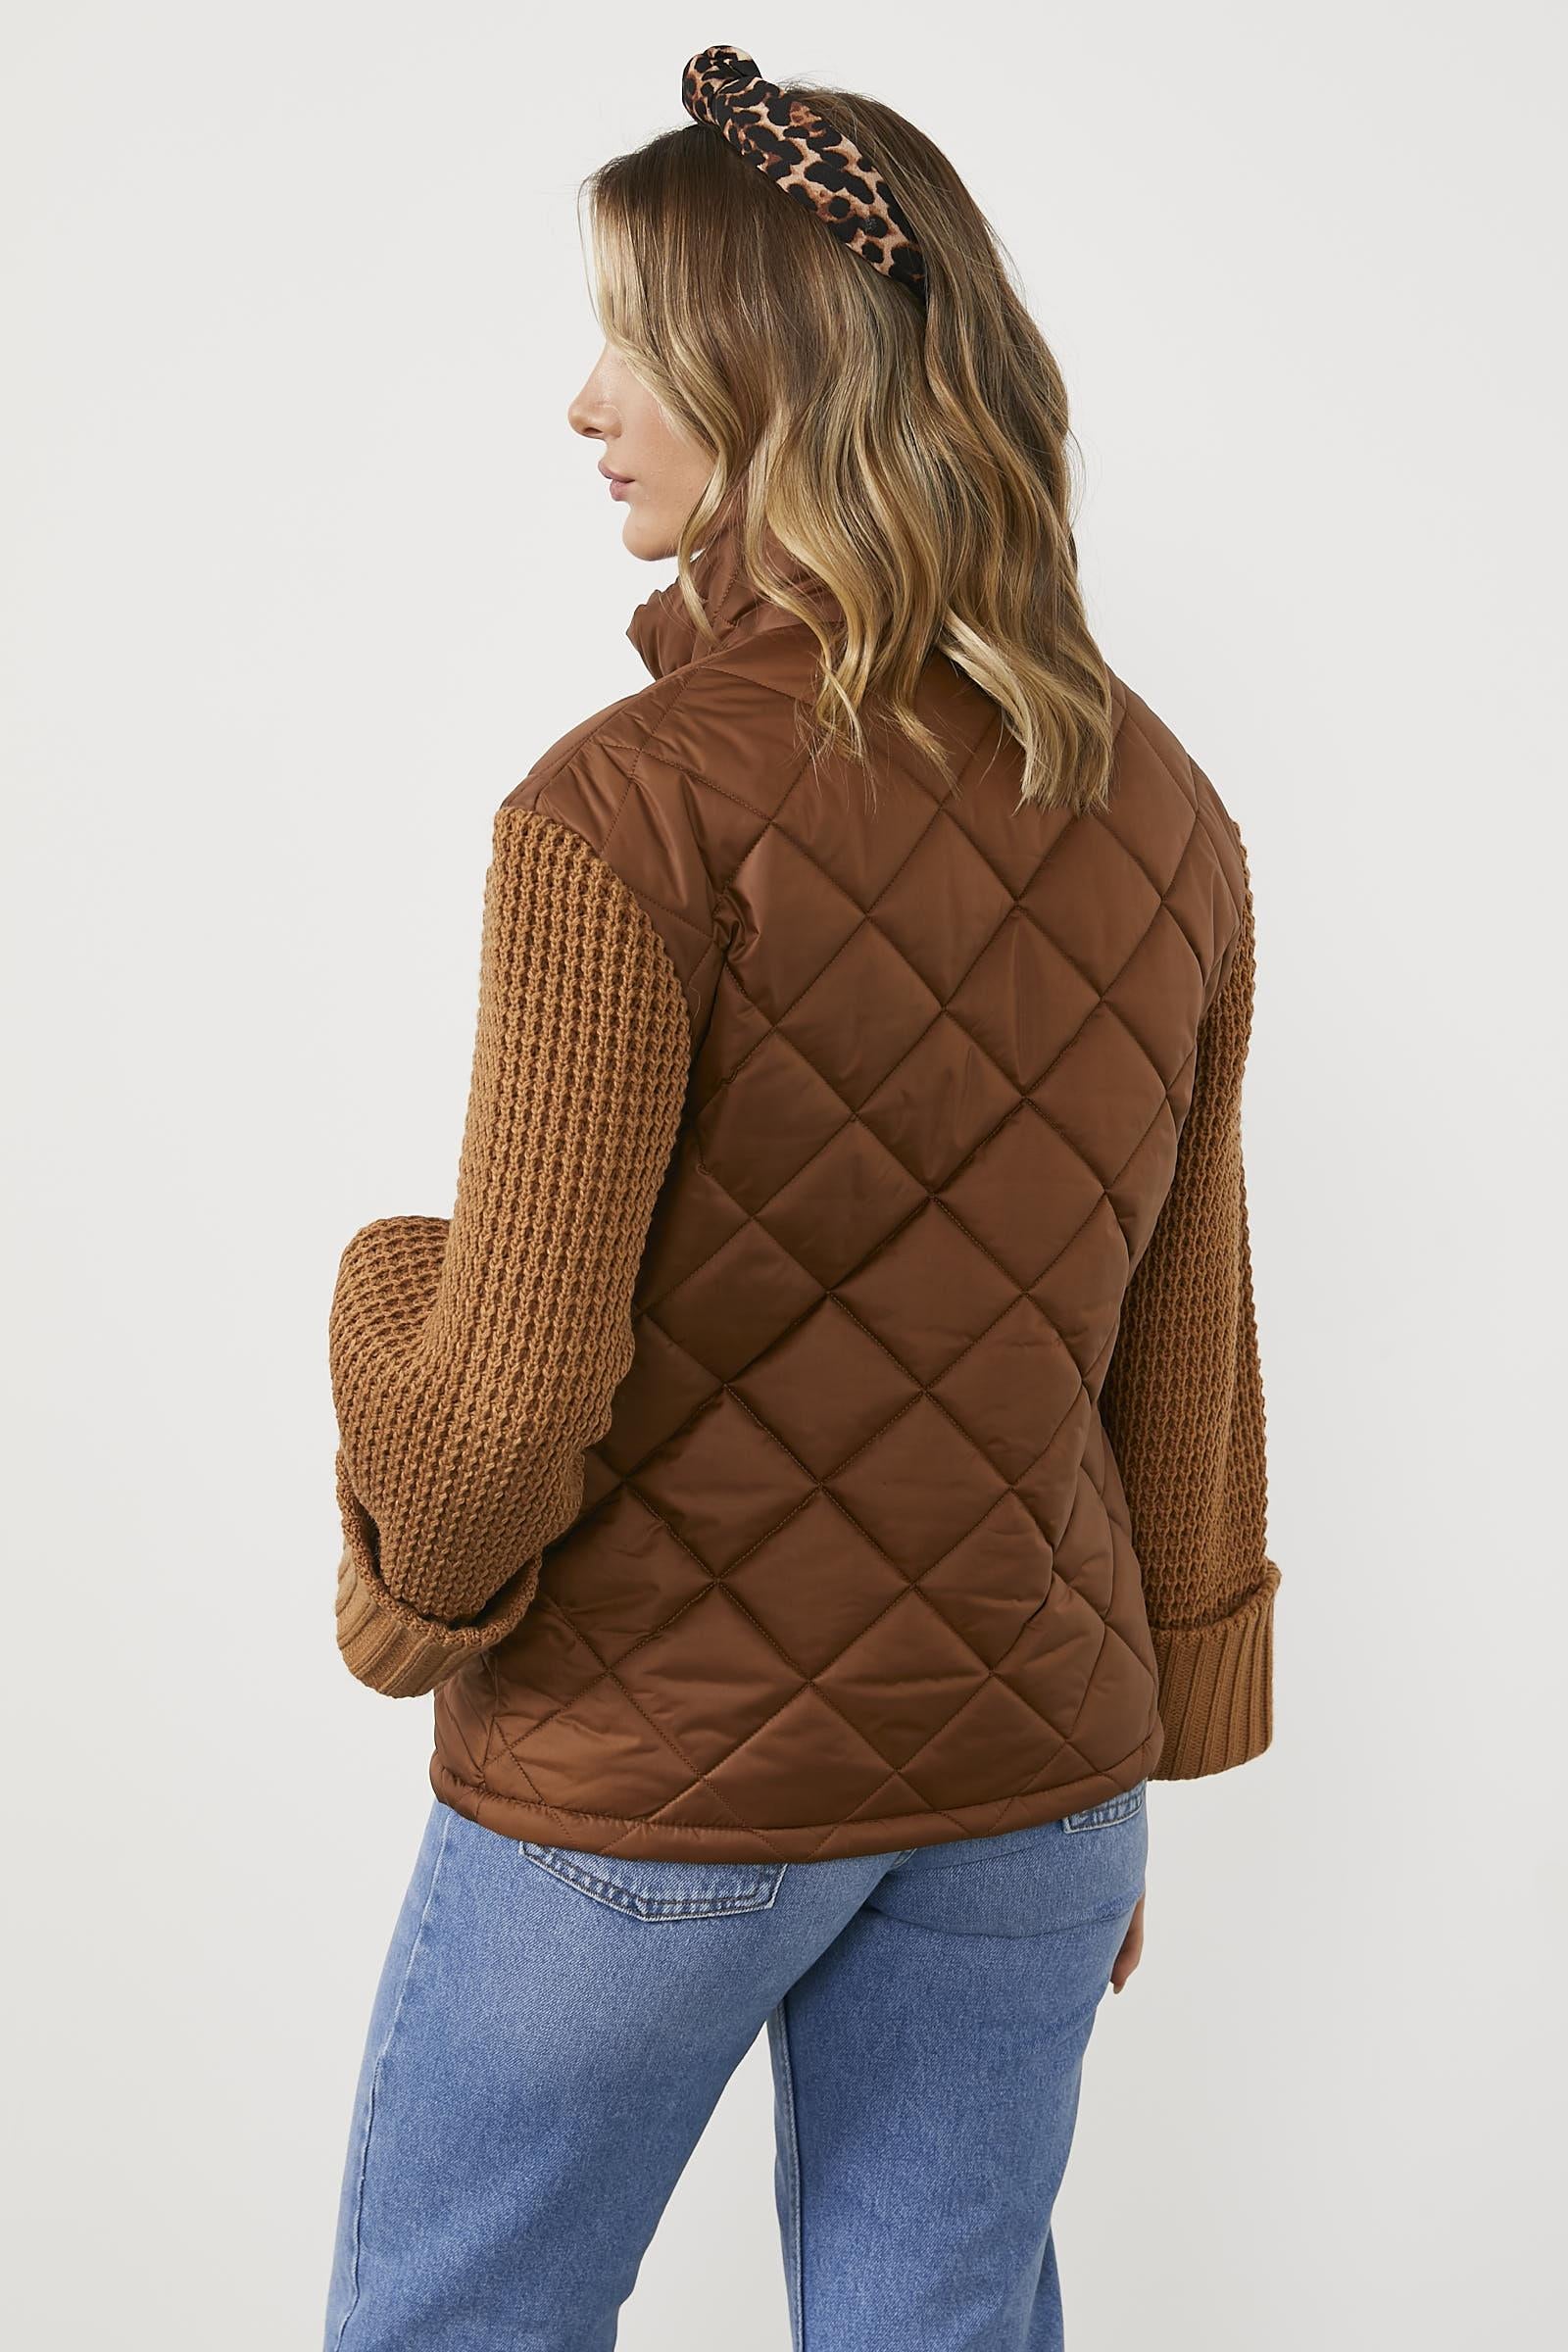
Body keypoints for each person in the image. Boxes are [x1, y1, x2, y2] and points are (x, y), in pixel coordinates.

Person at [320, 44, 1280, 2352]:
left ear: (769, 379)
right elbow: (1185, 1331)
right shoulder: (1159, 803)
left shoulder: (624, 811)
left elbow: (508, 1399)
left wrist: (381, 1356)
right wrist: (1138, 1731)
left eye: (633, 349)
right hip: (1025, 1779)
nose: (582, 404)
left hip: (645, 1787)